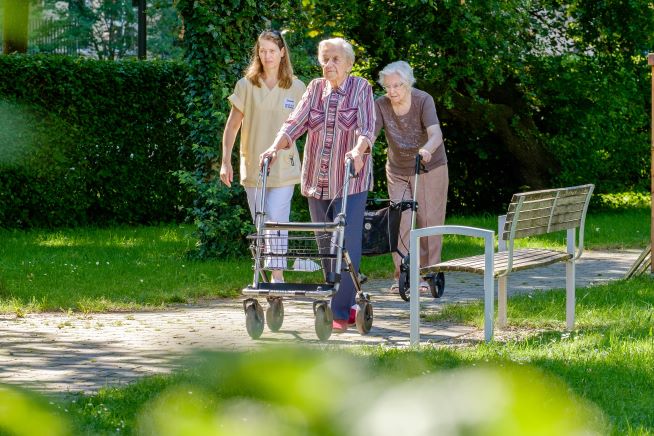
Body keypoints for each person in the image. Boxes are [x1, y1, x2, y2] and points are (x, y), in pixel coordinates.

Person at [260, 37, 375, 332]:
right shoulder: (314, 89)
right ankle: (340, 301)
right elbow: (294, 123)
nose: (329, 64)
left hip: (349, 180)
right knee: (325, 244)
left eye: (336, 59)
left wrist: (358, 151)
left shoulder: (361, 88)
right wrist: (274, 147)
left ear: (349, 64)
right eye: (325, 59)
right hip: (317, 180)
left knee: (346, 243)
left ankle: (339, 311)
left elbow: (367, 128)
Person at [219, 30, 306, 283]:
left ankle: (277, 276)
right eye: (262, 51)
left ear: (282, 52)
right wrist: (225, 161)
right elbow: (232, 126)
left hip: (284, 165)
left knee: (278, 217)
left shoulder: (296, 87)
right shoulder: (246, 85)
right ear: (258, 53)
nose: (267, 56)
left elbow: (307, 126)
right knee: (262, 221)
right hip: (253, 164)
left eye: (272, 51)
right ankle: (267, 276)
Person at [373, 61, 448, 292]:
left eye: (397, 85)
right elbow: (370, 134)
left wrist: (427, 149)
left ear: (408, 83)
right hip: (397, 169)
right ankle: (403, 276)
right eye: (388, 87)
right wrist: (360, 150)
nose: (392, 91)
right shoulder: (381, 104)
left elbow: (436, 134)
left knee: (428, 221)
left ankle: (428, 274)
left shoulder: (423, 100)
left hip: (428, 167)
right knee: (400, 221)